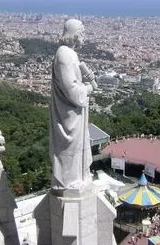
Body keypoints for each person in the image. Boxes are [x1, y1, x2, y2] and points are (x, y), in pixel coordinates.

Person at [49, 19, 95, 191]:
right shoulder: (65, 55)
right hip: (68, 117)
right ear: (74, 34)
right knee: (69, 149)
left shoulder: (69, 54)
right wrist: (89, 88)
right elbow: (73, 91)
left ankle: (76, 178)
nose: (83, 36)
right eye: (81, 32)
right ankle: (67, 181)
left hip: (73, 115)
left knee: (75, 150)